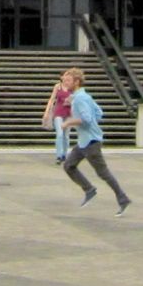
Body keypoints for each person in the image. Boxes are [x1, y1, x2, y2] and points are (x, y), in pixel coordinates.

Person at [60, 68, 130, 215]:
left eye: (67, 80)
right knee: (69, 165)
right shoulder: (83, 96)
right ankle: (89, 189)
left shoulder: (80, 98)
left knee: (103, 173)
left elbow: (86, 119)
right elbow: (99, 113)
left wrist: (69, 122)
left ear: (76, 82)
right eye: (63, 80)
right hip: (84, 141)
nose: (64, 82)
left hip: (91, 142)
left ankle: (122, 198)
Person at [42, 70, 75, 163]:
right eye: (65, 75)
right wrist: (46, 111)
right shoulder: (58, 86)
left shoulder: (72, 87)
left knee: (66, 135)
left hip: (69, 113)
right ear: (61, 77)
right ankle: (58, 155)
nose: (67, 77)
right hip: (58, 112)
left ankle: (65, 154)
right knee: (60, 134)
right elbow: (52, 99)